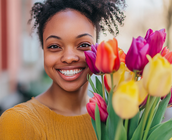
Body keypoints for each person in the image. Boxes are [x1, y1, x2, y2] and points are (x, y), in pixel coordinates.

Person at [0, 0, 125, 139]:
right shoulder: (17, 122)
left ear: (98, 50)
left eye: (83, 44)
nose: (69, 58)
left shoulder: (116, 121)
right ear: (43, 51)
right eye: (54, 46)